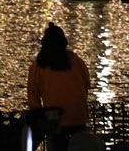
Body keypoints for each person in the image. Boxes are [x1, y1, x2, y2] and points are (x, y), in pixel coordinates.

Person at [27, 23, 90, 151]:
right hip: (78, 115)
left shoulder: (39, 64)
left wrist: (38, 115)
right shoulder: (75, 60)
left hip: (54, 118)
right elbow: (86, 83)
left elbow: (33, 95)